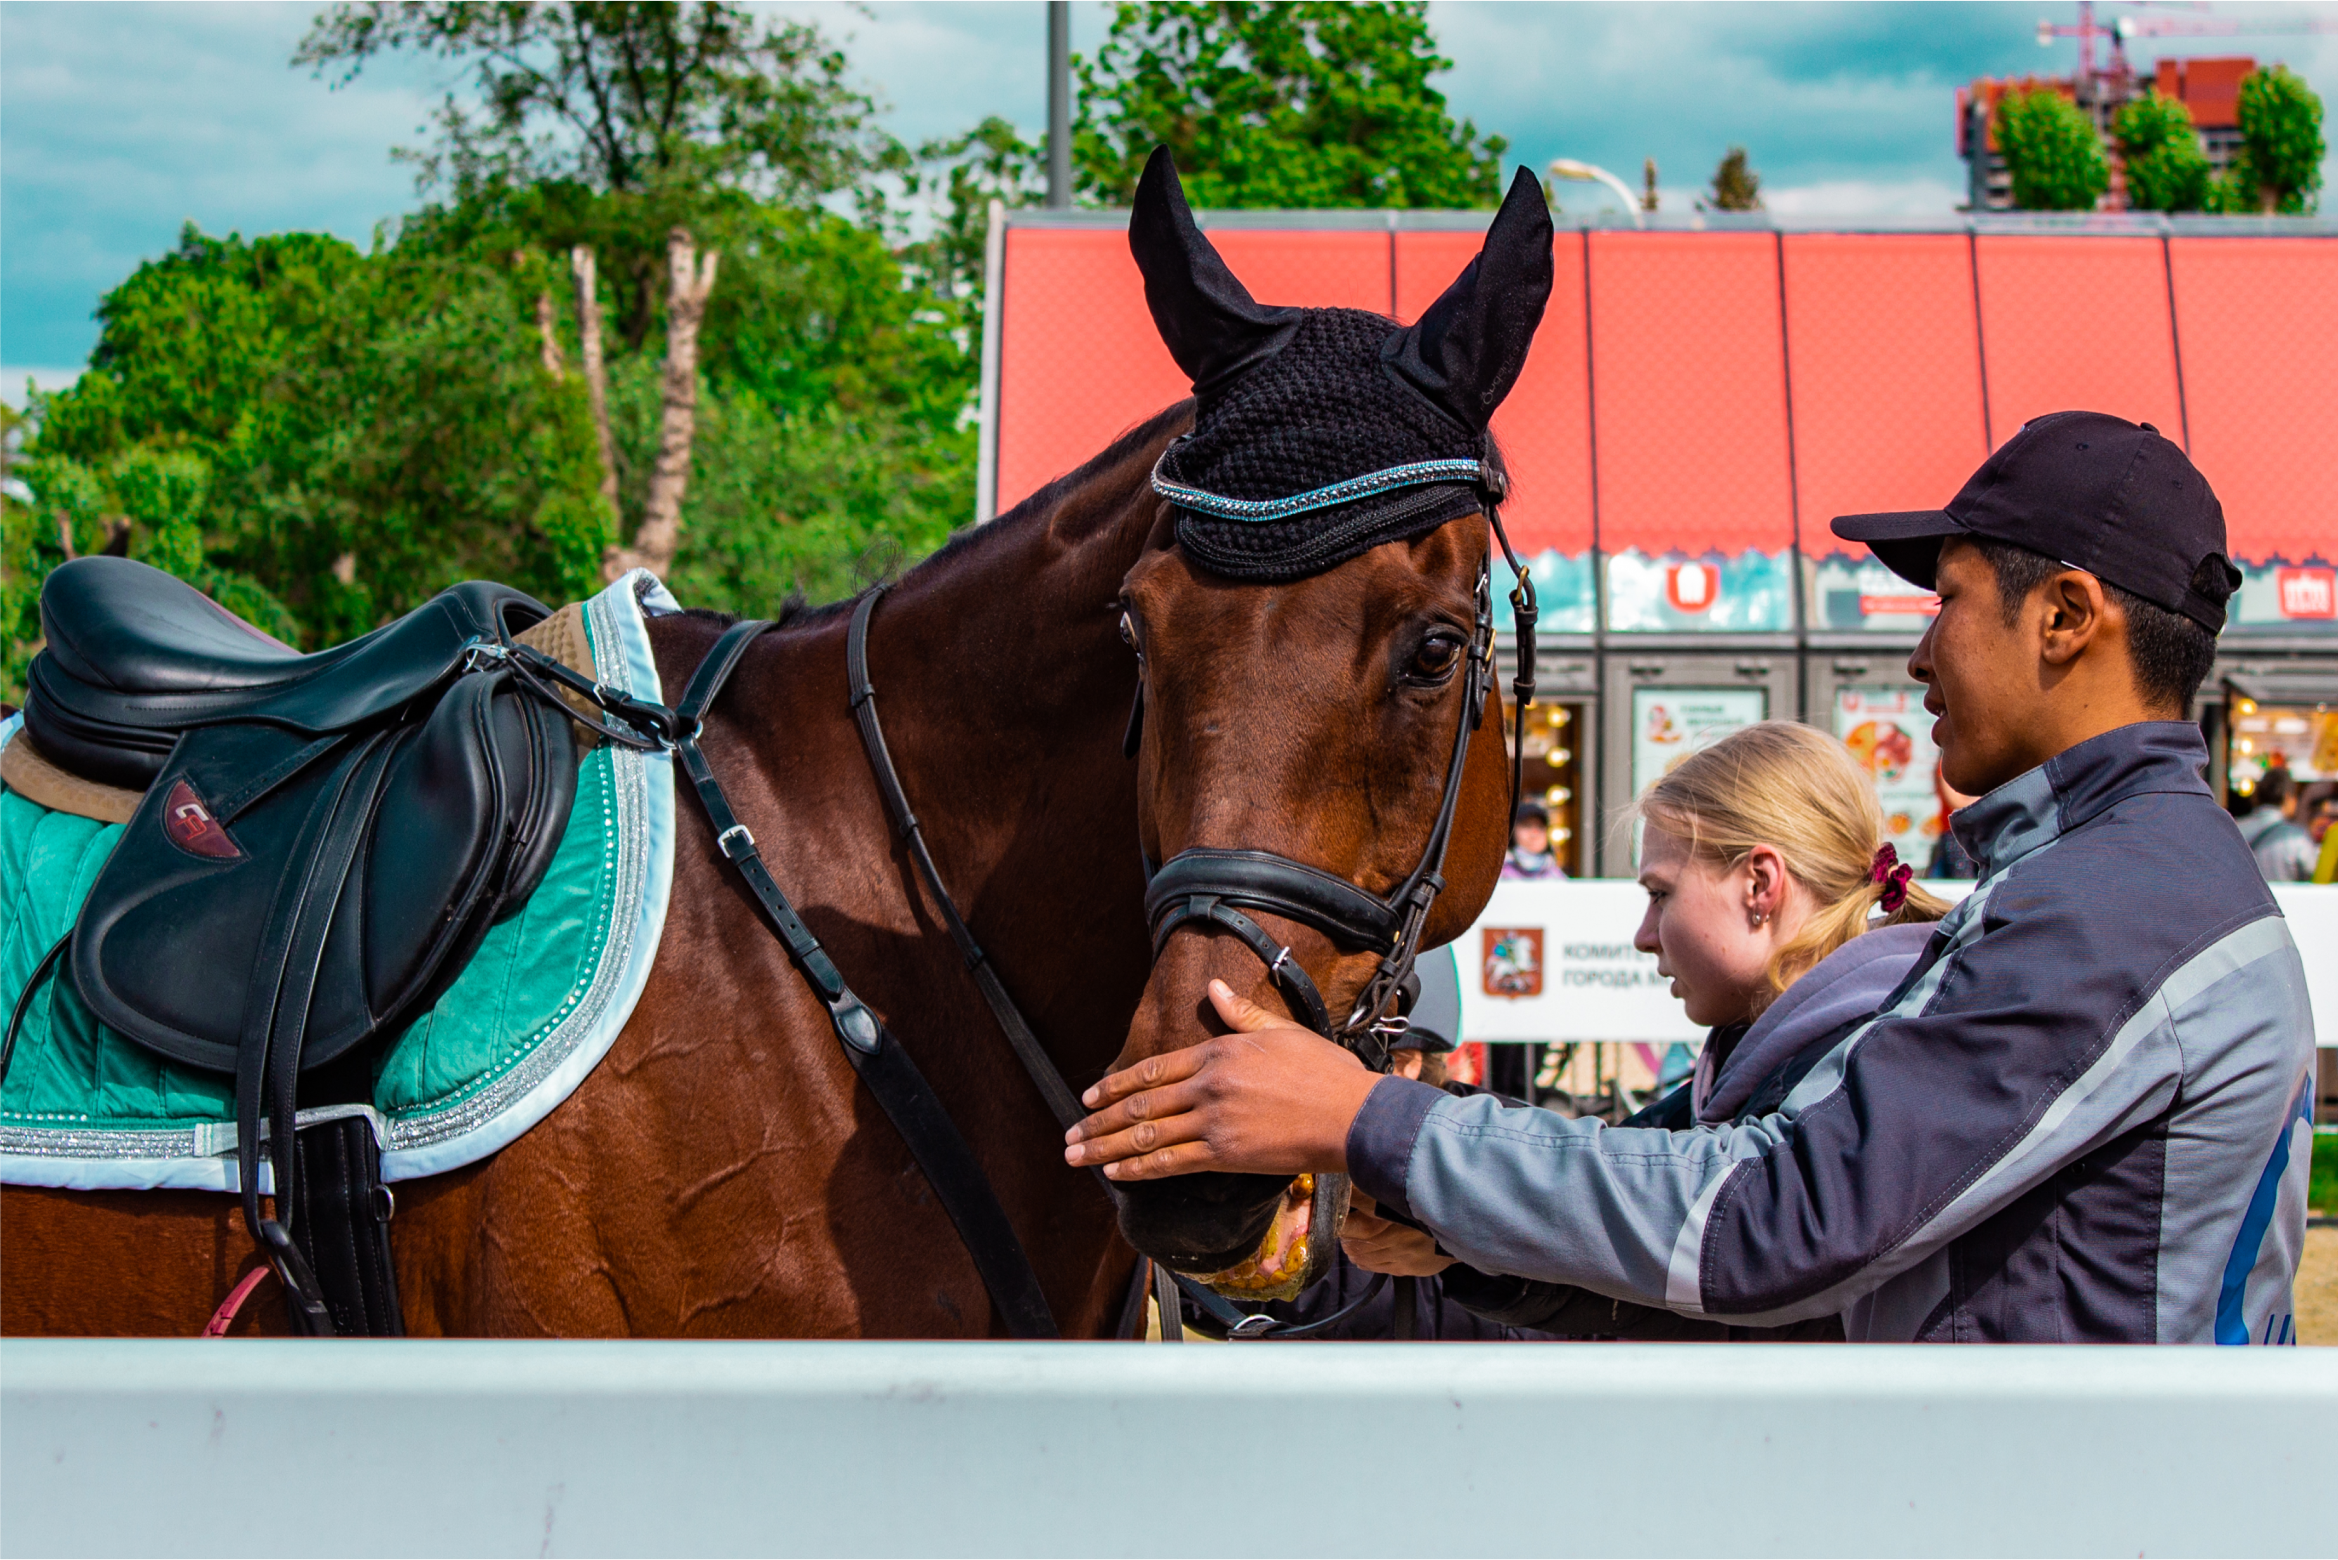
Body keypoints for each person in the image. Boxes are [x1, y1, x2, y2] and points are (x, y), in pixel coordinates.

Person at [1066, 410, 2314, 1344]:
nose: (1923, 648)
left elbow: (1776, 1222)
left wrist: (1362, 1119)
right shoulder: (2108, 875)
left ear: (2067, 616)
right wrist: (1451, 1227)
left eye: (1948, 600)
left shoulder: (2116, 902)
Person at [1348, 721, 1948, 1341]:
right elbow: (1620, 1181)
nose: (1644, 934)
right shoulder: (1777, 1062)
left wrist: (1402, 1149)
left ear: (1760, 884)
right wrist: (1450, 1228)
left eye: (1661, 893)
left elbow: (1693, 1232)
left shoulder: (1876, 1067)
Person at [2236, 766, 2319, 882]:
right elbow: (2312, 874)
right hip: (2284, 899)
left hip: (2245, 899)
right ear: (2288, 797)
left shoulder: (2234, 829)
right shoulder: (2296, 836)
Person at [1501, 799, 1563, 879]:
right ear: (1512, 832)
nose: (1534, 834)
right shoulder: (1500, 874)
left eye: (1540, 827)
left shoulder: (1556, 875)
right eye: (1527, 826)